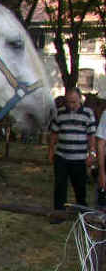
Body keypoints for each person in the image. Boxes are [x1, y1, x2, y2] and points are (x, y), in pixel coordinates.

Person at [48, 87, 97, 215]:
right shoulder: (59, 113)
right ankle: (59, 213)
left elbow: (91, 135)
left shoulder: (88, 113)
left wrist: (92, 153)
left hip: (79, 158)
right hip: (61, 157)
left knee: (80, 188)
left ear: (80, 99)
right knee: (60, 186)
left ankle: (82, 214)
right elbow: (53, 133)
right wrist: (51, 150)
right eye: (69, 102)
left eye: (74, 102)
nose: (71, 105)